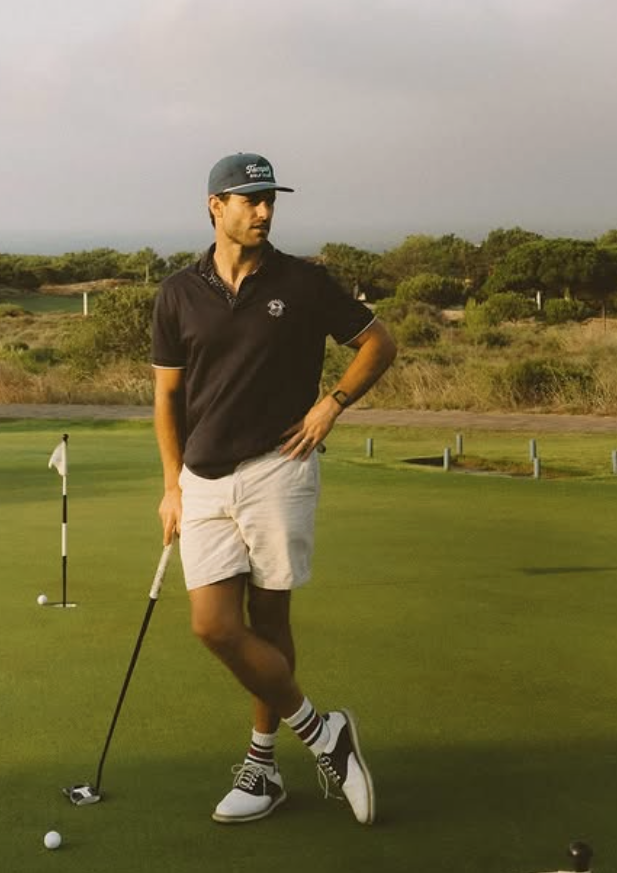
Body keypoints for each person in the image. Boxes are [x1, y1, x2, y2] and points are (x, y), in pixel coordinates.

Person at [151, 152, 397, 825]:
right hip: (202, 477)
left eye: (269, 201)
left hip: (277, 468)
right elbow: (166, 397)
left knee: (270, 621)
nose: (262, 211)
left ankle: (261, 770)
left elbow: (379, 341)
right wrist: (171, 485)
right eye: (248, 199)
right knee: (213, 624)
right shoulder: (177, 292)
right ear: (215, 206)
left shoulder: (304, 281)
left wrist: (332, 404)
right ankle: (324, 733)